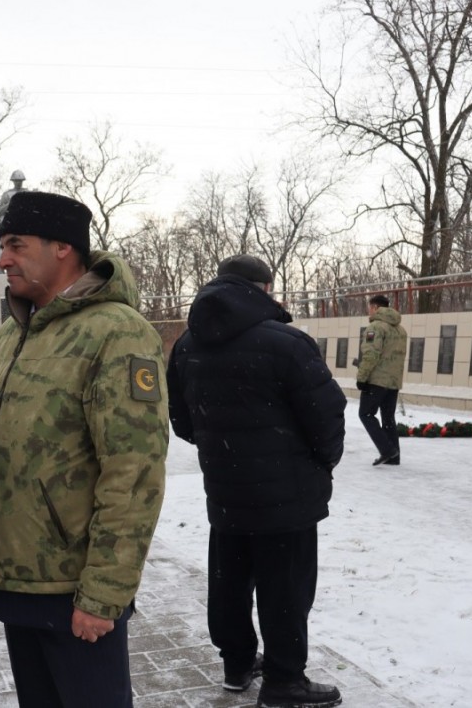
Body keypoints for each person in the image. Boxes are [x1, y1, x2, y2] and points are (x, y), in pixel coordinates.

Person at [0, 191, 168, 707]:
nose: (2, 259)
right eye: (3, 246)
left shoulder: (116, 333)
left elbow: (134, 472)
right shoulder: (12, 333)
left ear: (63, 248)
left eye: (16, 245)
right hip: (17, 579)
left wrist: (103, 593)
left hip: (73, 590)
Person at [167, 254, 345, 708]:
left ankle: (237, 663)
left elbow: (183, 421)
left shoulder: (186, 345)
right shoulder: (287, 343)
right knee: (285, 588)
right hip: (286, 496)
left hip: (226, 491)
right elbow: (326, 415)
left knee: (229, 581)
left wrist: (226, 450)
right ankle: (284, 680)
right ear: (264, 289)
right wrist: (321, 462)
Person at [355, 294, 408, 466]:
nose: (368, 311)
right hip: (393, 382)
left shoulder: (375, 327)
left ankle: (387, 450)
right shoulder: (400, 330)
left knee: (366, 414)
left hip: (376, 381)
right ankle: (394, 457)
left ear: (376, 308)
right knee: (388, 418)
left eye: (369, 308)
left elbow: (371, 354)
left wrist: (362, 377)